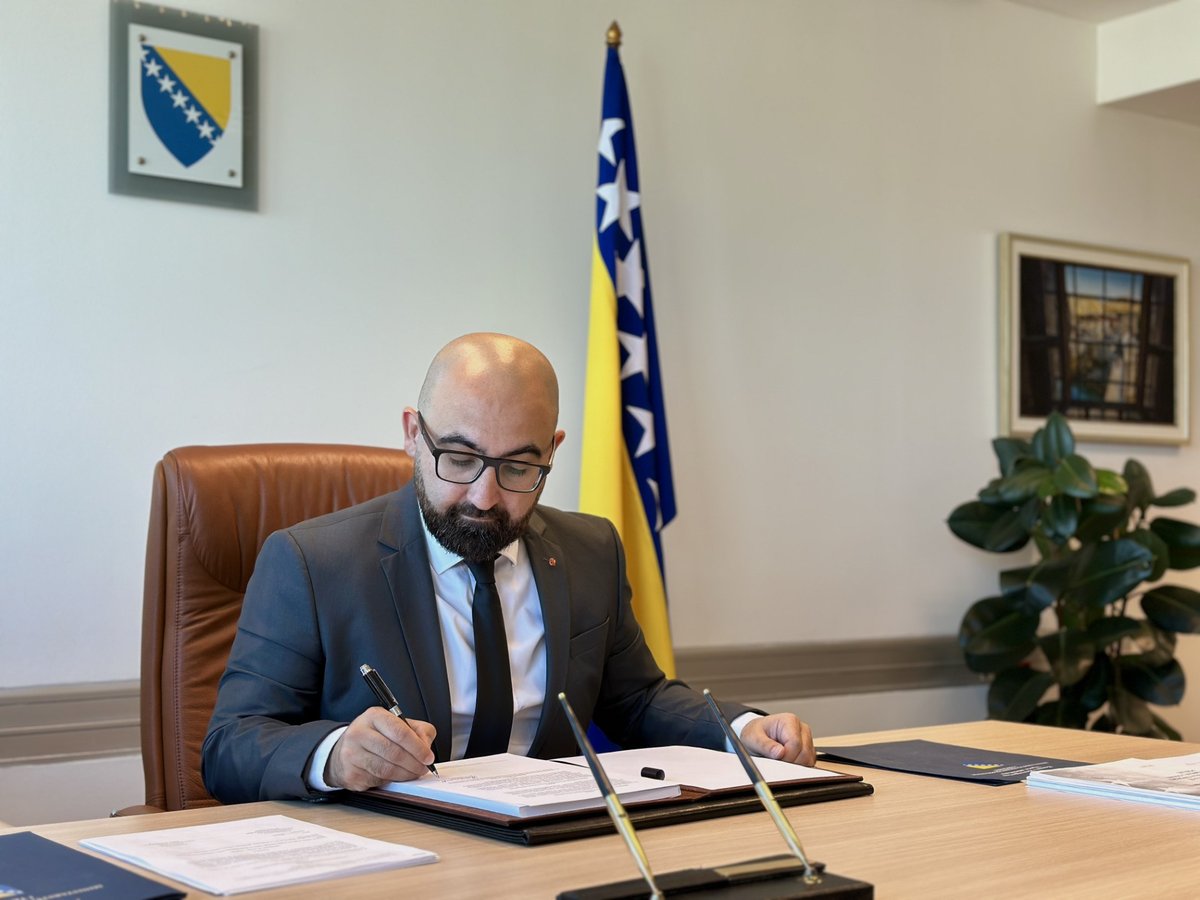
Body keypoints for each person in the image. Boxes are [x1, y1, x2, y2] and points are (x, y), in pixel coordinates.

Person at [202, 333, 814, 803]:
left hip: (548, 848)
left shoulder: (591, 550)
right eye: (459, 458)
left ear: (552, 451)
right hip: (396, 857)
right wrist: (334, 756)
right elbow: (230, 744)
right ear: (413, 435)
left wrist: (741, 727)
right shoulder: (312, 563)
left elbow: (638, 700)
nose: (484, 496)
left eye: (519, 468)